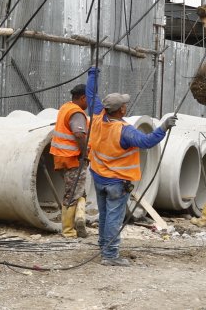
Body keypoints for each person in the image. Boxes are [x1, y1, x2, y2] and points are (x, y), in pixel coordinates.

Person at [85, 66, 177, 266]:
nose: (126, 105)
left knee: (105, 215)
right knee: (113, 218)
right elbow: (147, 142)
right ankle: (109, 255)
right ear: (121, 110)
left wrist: (93, 73)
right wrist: (163, 127)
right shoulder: (124, 131)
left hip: (99, 177)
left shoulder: (99, 117)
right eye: (124, 104)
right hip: (116, 181)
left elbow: (91, 94)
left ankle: (103, 246)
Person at [51, 83, 89, 238]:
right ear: (83, 97)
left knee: (78, 191)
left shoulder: (66, 107)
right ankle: (69, 231)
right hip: (73, 158)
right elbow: (79, 134)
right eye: (90, 99)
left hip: (62, 157)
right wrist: (84, 153)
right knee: (72, 193)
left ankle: (80, 219)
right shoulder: (77, 113)